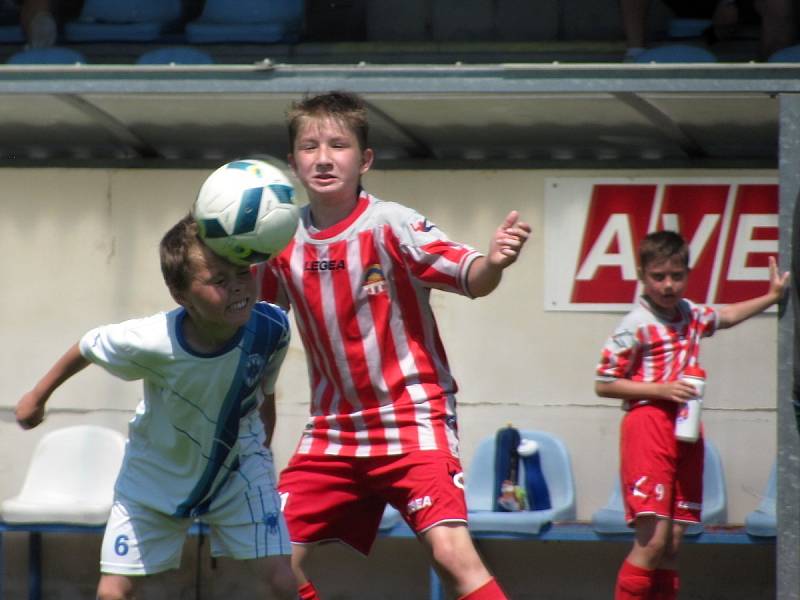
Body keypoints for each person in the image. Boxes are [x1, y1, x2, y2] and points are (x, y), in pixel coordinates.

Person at [256, 91, 531, 600]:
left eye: (338, 145)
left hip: (411, 418)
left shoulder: (392, 224)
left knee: (452, 556)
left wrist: (494, 261)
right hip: (332, 430)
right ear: (292, 162)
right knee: (272, 560)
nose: (322, 157)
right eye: (309, 146)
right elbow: (254, 320)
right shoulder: (279, 238)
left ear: (364, 160)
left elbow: (472, 276)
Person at [15, 214, 296, 600]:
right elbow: (88, 345)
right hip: (155, 476)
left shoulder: (273, 327)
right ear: (180, 294)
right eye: (218, 280)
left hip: (238, 471)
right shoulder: (150, 340)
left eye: (243, 272)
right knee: (114, 592)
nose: (237, 288)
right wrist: (36, 397)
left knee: (283, 579)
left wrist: (263, 457)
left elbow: (263, 391)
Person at [594, 230, 789, 600]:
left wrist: (773, 296)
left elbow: (727, 315)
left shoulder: (691, 314)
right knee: (652, 541)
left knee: (672, 543)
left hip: (685, 428)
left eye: (676, 275)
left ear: (687, 273)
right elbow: (604, 383)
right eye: (658, 276)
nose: (668, 285)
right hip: (648, 424)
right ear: (641, 275)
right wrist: (660, 390)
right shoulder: (634, 323)